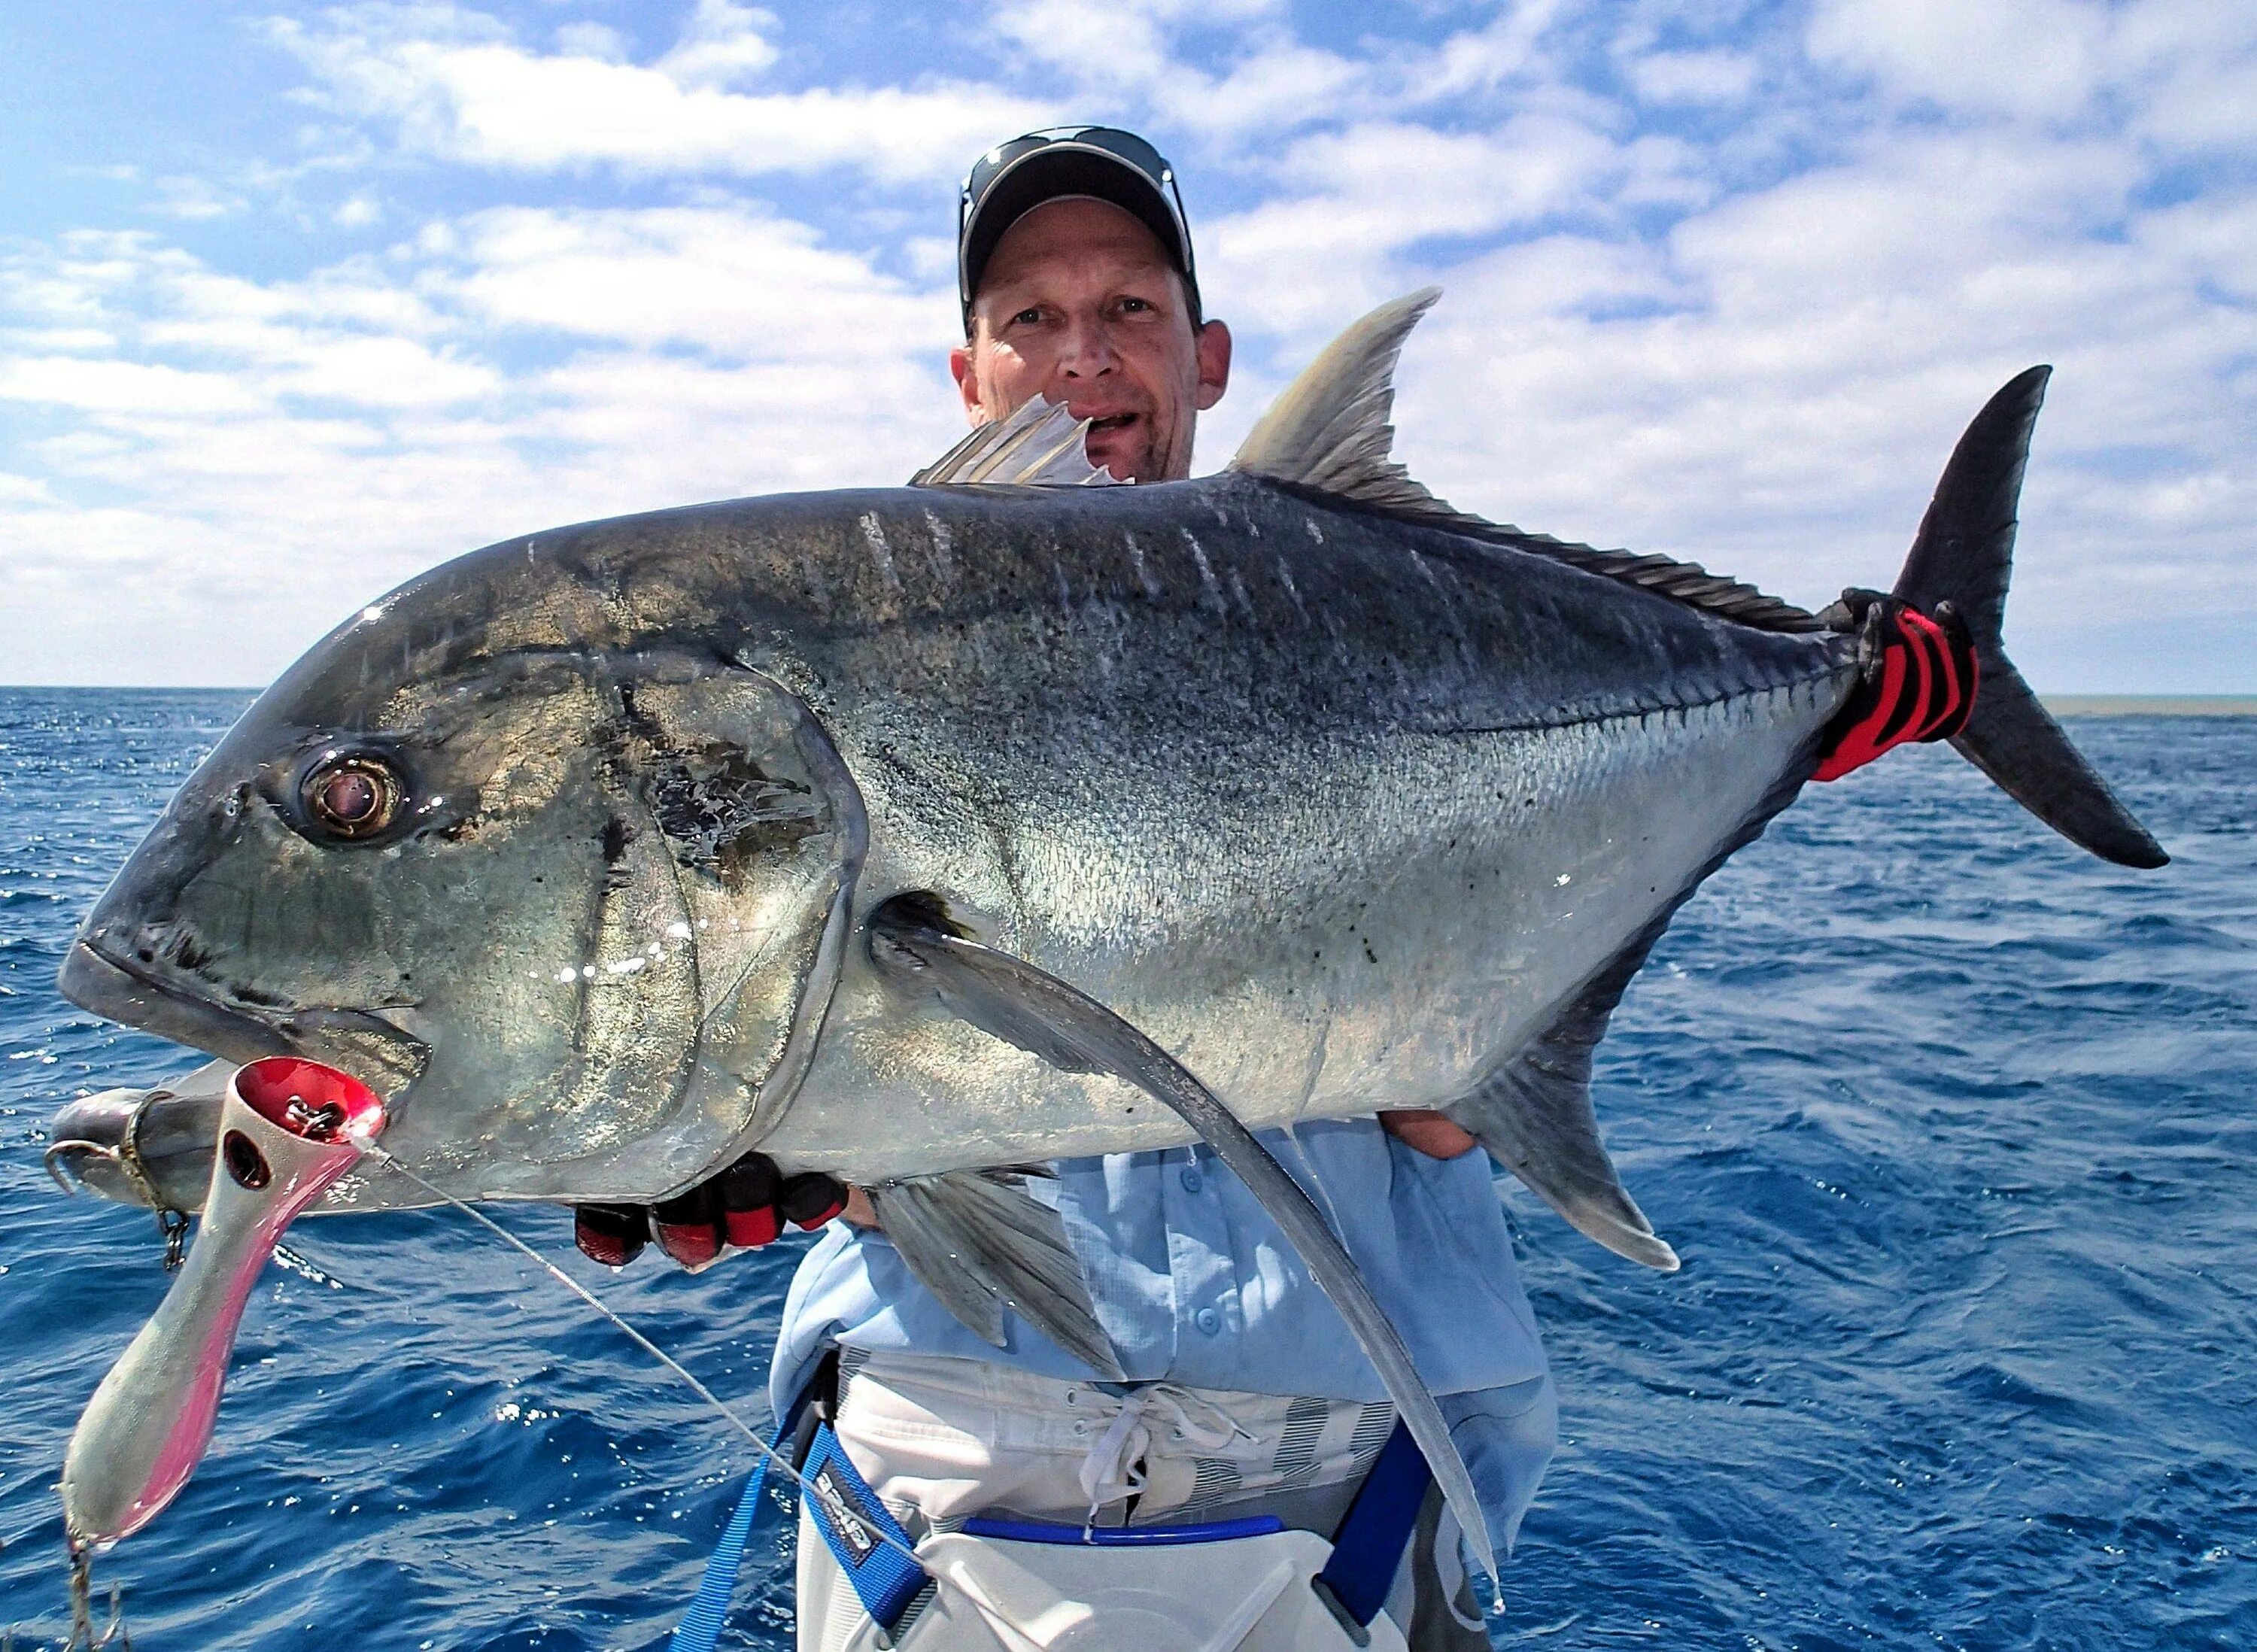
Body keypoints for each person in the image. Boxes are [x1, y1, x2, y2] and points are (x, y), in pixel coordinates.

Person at [585, 126, 1561, 1651]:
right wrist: (686, 1106)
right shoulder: (841, 633)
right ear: (967, 372)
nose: (1080, 360)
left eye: (1128, 312)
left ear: (1209, 356)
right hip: (937, 1458)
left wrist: (1796, 720)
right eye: (1029, 318)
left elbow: (1445, 1108)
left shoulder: (1371, 631)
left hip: (1333, 1461)